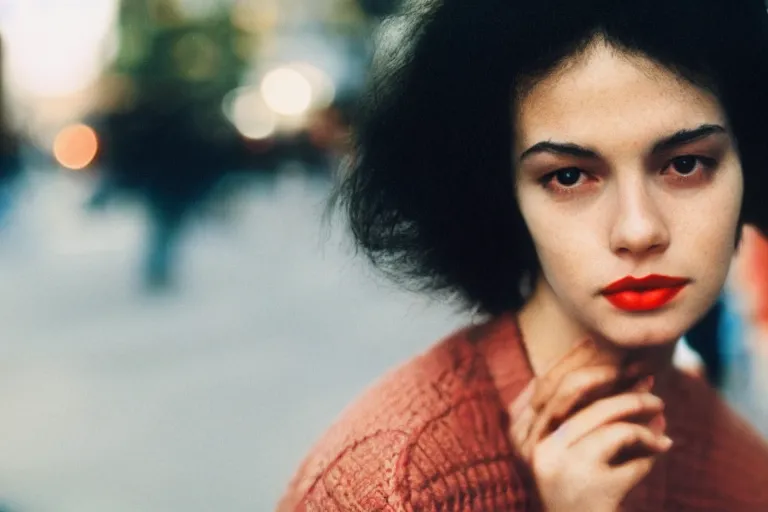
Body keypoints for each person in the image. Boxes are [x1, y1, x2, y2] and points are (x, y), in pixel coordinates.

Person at [278, 0, 768, 510]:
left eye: (686, 164)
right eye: (569, 176)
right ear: (501, 194)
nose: (639, 229)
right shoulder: (395, 484)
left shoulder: (744, 470)